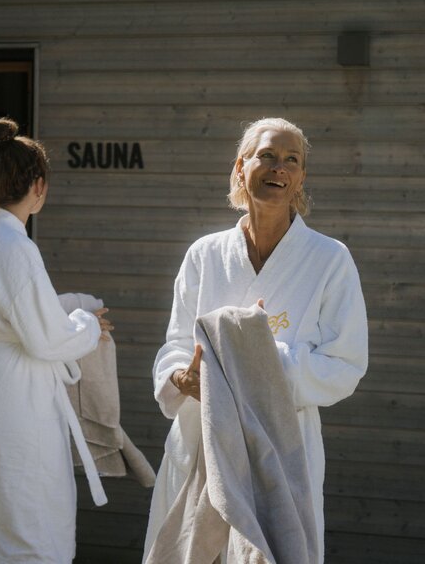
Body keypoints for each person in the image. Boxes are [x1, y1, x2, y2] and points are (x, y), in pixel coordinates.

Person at [143, 117, 368, 563]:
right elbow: (175, 345)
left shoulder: (330, 260)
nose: (278, 167)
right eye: (266, 155)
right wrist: (182, 378)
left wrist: (259, 360)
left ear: (301, 177)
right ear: (241, 166)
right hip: (201, 438)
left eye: (291, 160)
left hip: (281, 449)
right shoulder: (205, 254)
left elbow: (345, 364)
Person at [0, 117, 113, 564]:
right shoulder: (16, 246)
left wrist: (67, 313)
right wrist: (86, 323)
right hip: (15, 403)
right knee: (30, 525)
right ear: (38, 186)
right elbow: (46, 340)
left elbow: (10, 312)